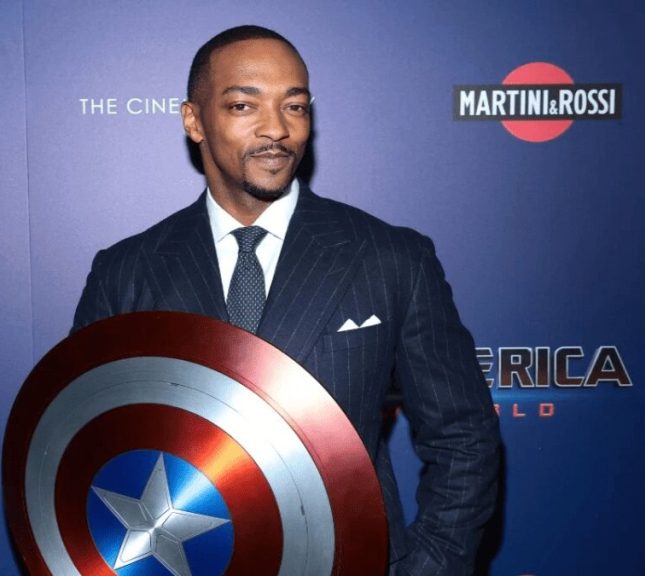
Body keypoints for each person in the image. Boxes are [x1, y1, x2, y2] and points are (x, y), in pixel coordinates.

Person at [72, 24, 500, 576]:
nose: (277, 129)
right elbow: (88, 445)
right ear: (194, 121)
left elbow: (464, 436)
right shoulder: (126, 272)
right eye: (243, 105)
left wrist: (428, 568)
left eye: (294, 106)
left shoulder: (391, 258)